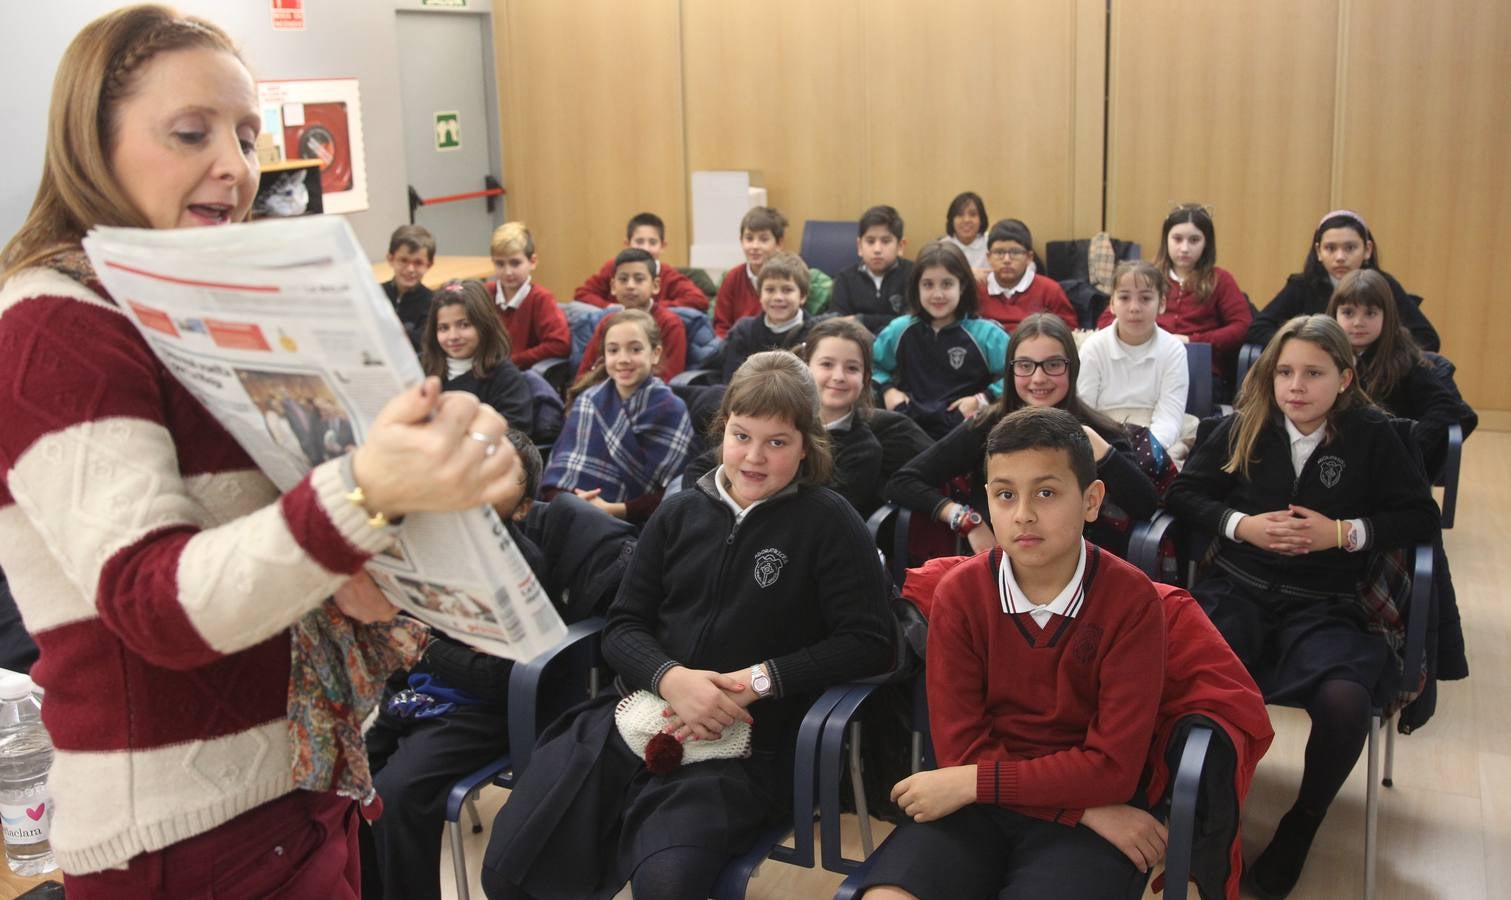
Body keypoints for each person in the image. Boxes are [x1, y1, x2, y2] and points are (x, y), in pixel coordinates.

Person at [0, 6, 522, 895]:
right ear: (92, 142)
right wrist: (364, 493)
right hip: (190, 835)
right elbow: (152, 601)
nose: (235, 169)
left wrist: (446, 480)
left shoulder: (185, 303)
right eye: (191, 133)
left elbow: (281, 541)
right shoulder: (57, 325)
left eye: (248, 135)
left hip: (300, 779)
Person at [480, 351, 895, 900]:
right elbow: (623, 627)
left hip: (745, 747)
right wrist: (671, 677)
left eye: (777, 442)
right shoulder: (678, 513)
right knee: (511, 869)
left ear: (806, 445)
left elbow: (869, 642)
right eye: (742, 435)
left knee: (668, 884)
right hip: (636, 714)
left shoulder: (829, 521)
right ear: (723, 428)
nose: (754, 457)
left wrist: (756, 683)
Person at [1164, 315, 1439, 898]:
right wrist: (1243, 525)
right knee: (1194, 676)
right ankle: (1208, 814)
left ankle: (1302, 822)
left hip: (1328, 603)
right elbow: (1185, 493)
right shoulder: (1246, 424)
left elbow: (1419, 517)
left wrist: (1344, 534)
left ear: (1344, 377)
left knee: (1346, 700)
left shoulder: (1374, 434)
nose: (1295, 386)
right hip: (1238, 587)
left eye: (1313, 373)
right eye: (1285, 372)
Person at [856, 406, 1167, 900]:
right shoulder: (960, 592)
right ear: (988, 502)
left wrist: (979, 784)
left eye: (1046, 492)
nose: (1022, 513)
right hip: (1005, 803)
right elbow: (960, 750)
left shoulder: (1132, 601)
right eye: (1005, 495)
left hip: (1055, 811)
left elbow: (1111, 769)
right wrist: (1076, 807)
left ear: (1092, 500)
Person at [886, 314, 1159, 559]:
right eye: (1025, 365)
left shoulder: (1100, 431)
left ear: (1072, 368)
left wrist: (1102, 452)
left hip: (1084, 572)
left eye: (1053, 364)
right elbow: (903, 481)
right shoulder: (986, 425)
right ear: (1010, 370)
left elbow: (1146, 505)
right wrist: (967, 520)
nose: (1038, 378)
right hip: (1004, 569)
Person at [546, 309, 693, 523]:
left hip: (634, 525)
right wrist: (571, 503)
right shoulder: (588, 401)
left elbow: (674, 492)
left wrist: (617, 510)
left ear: (655, 353)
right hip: (572, 514)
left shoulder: (672, 409)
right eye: (613, 350)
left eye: (635, 349)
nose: (623, 359)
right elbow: (560, 471)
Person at [1327, 269, 1473, 477]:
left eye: (1370, 313)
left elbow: (1444, 405)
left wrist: (1410, 447)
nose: (1358, 322)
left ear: (1387, 316)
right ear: (1334, 313)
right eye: (1348, 313)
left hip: (1383, 466)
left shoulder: (1405, 359)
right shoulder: (1322, 353)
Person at [1096, 204, 1251, 392]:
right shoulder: (1145, 275)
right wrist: (1144, 336)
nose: (1184, 248)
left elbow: (1242, 326)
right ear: (1166, 240)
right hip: (1142, 359)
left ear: (1206, 243)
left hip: (1196, 366)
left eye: (1194, 240)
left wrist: (1192, 340)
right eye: (1177, 239)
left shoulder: (1220, 279)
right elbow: (1106, 320)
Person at [1248, 209, 1439, 351]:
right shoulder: (1303, 285)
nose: (1340, 257)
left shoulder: (1385, 285)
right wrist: (1305, 345)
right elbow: (1258, 329)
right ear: (1318, 252)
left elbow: (1427, 338)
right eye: (1330, 248)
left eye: (1350, 248)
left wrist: (1382, 351)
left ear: (1367, 250)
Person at [873, 241, 1008, 439]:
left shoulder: (986, 334)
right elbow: (872, 365)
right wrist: (887, 390)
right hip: (908, 426)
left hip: (964, 429)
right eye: (928, 284)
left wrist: (982, 399)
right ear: (916, 287)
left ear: (962, 286)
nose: (937, 294)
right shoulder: (899, 329)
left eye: (947, 284)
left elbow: (1018, 371)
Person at [1078, 261, 1191, 459]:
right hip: (1103, 437)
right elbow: (1085, 411)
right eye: (1124, 297)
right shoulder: (1093, 348)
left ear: (1162, 303)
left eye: (1146, 298)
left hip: (1157, 438)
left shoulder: (1173, 350)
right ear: (1112, 303)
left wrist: (1145, 450)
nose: (1134, 308)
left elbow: (1169, 417)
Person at [420, 279, 533, 434]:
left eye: (464, 325)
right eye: (443, 328)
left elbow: (516, 437)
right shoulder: (422, 369)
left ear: (484, 325)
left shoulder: (505, 378)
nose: (453, 336)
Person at [574, 248, 688, 381]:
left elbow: (669, 378)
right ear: (613, 286)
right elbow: (585, 372)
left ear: (655, 285)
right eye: (623, 279)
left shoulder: (670, 323)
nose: (630, 286)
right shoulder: (608, 322)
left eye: (639, 279)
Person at [574, 212, 709, 312]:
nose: (646, 248)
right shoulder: (613, 267)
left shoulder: (667, 274)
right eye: (639, 241)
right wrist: (611, 308)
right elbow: (582, 294)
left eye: (652, 242)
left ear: (662, 246)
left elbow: (698, 300)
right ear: (627, 244)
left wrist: (651, 308)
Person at [487, 221, 571, 369]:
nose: (508, 272)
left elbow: (559, 344)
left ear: (532, 262)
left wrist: (515, 360)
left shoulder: (540, 298)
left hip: (520, 375)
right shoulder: (485, 293)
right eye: (500, 264)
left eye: (515, 263)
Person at [720, 249, 813, 381]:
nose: (778, 297)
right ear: (760, 295)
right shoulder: (744, 331)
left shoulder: (815, 335)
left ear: (802, 296)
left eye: (787, 290)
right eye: (770, 290)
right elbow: (731, 382)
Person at [974, 218, 1078, 333]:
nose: (1007, 260)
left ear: (1029, 257)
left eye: (1015, 252)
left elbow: (1069, 332)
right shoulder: (977, 289)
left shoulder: (1050, 290)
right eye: (999, 252)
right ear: (988, 257)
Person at [830, 205, 916, 335]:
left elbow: (911, 322)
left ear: (900, 246)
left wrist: (860, 319)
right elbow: (838, 324)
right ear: (859, 246)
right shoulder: (845, 278)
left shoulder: (914, 274)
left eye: (886, 241)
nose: (877, 249)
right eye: (870, 241)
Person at [712, 206, 789, 339]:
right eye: (749, 238)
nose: (754, 246)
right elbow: (721, 325)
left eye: (763, 239)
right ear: (741, 241)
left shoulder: (789, 277)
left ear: (779, 243)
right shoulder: (732, 277)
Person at [383, 224, 436, 351]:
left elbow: (422, 344)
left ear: (429, 264)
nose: (410, 269)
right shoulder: (375, 295)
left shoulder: (434, 304)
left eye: (418, 263)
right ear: (390, 259)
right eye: (403, 260)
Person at [940, 190, 990, 279]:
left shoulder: (991, 244)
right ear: (952, 219)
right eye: (960, 215)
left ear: (981, 219)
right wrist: (970, 275)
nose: (966, 220)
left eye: (973, 214)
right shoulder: (942, 247)